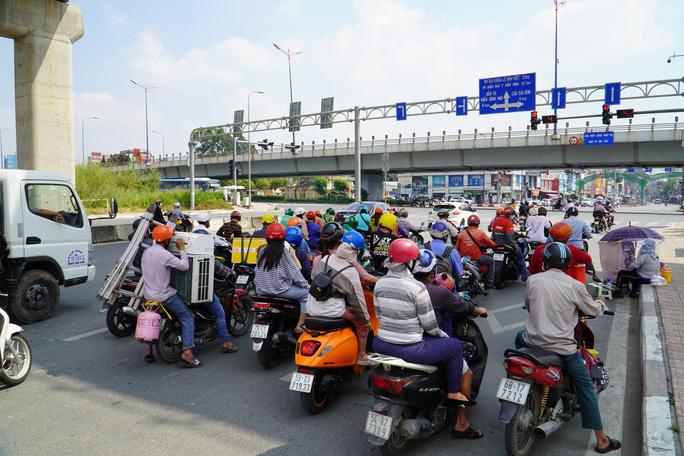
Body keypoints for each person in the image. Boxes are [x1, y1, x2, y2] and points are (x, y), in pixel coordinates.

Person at [516, 242, 620, 454]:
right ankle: (601, 440)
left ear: (544, 261)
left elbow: (528, 304)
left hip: (531, 341)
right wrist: (601, 302)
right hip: (563, 348)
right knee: (586, 388)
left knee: (519, 338)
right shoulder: (574, 285)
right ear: (567, 264)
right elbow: (592, 309)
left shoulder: (533, 280)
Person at [372, 239, 473, 407]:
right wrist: (444, 337)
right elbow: (430, 326)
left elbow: (379, 315)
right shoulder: (417, 287)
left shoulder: (380, 283)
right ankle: (453, 392)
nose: (417, 263)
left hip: (381, 344)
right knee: (455, 346)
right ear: (409, 262)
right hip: (411, 348)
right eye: (415, 260)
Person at [414, 250, 487, 439]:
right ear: (432, 271)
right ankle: (461, 423)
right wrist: (478, 309)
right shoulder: (437, 292)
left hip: (402, 341)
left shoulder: (406, 287)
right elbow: (463, 306)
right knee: (466, 373)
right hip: (430, 344)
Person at [141, 225, 236, 367]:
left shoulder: (147, 251)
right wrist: (181, 249)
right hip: (164, 295)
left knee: (156, 318)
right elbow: (185, 266)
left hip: (148, 294)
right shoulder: (167, 254)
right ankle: (189, 353)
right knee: (189, 317)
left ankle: (149, 348)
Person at [307, 230, 372, 365]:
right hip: (333, 309)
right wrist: (366, 320)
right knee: (362, 325)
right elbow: (358, 302)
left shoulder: (325, 259)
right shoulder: (350, 271)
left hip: (312, 306)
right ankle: (361, 356)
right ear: (357, 251)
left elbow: (313, 277)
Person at [255, 223, 310, 332]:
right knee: (306, 295)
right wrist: (306, 285)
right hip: (279, 290)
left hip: (260, 290)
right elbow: (295, 273)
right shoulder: (284, 252)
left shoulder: (261, 250)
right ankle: (300, 325)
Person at [528, 221, 593, 277]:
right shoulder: (572, 249)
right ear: (566, 239)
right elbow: (588, 259)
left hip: (544, 285)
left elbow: (532, 270)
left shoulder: (540, 249)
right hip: (567, 286)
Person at [455, 214, 496, 288]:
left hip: (463, 259)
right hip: (476, 257)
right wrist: (495, 244)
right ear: (478, 224)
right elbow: (490, 243)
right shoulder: (481, 233)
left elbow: (457, 248)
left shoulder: (461, 234)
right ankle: (490, 281)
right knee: (491, 261)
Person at [491, 206, 529, 282]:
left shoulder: (496, 221)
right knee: (521, 258)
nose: (512, 216)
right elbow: (509, 237)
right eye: (511, 214)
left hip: (497, 245)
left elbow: (493, 235)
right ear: (508, 214)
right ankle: (525, 276)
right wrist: (514, 245)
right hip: (508, 246)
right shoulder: (508, 223)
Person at [564, 207, 601, 282]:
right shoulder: (582, 222)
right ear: (577, 214)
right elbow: (589, 234)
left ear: (568, 214)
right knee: (587, 258)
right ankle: (594, 275)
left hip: (565, 247)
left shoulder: (563, 221)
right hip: (578, 247)